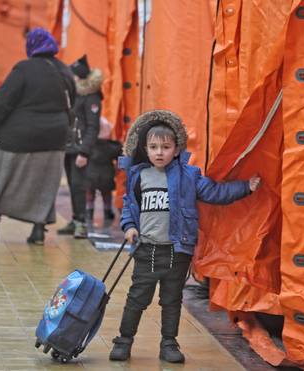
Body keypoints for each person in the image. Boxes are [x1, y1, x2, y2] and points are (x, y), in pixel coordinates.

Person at [109, 110, 261, 363]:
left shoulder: (189, 176)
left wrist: (245, 187)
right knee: (137, 298)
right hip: (146, 250)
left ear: (177, 149)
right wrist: (129, 226)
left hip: (177, 251)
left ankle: (169, 343)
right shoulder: (138, 175)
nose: (159, 152)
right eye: (154, 147)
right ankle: (124, 340)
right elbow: (129, 205)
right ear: (145, 149)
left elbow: (214, 192)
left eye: (166, 147)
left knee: (171, 300)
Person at [0, 27, 76, 245]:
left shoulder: (23, 69)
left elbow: (3, 100)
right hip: (55, 137)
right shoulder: (64, 71)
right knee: (45, 183)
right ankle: (38, 230)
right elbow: (72, 102)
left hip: (19, 136)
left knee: (5, 178)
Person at [57, 54, 102, 239]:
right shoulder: (73, 94)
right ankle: (75, 219)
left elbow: (93, 126)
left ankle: (82, 223)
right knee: (72, 184)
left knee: (78, 185)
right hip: (69, 147)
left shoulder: (91, 97)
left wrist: (85, 151)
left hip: (80, 149)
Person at [85, 117, 122, 225]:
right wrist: (117, 170)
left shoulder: (89, 146)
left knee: (90, 195)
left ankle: (89, 212)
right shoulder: (113, 146)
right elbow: (121, 158)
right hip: (107, 175)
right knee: (106, 195)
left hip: (90, 174)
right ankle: (107, 212)